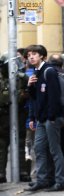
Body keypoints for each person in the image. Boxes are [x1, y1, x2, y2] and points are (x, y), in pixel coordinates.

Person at [24, 44, 64, 192]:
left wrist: (52, 117)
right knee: (39, 148)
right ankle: (42, 180)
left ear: (42, 56)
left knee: (55, 150)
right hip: (41, 119)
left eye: (34, 54)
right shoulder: (36, 72)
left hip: (51, 117)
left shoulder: (49, 71)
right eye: (29, 55)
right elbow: (35, 99)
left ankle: (60, 181)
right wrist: (30, 86)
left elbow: (55, 96)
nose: (31, 57)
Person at [0, 52, 30, 183]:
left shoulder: (21, 78)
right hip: (3, 116)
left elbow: (28, 93)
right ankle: (1, 173)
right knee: (1, 145)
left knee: (20, 143)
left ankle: (22, 171)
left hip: (18, 114)